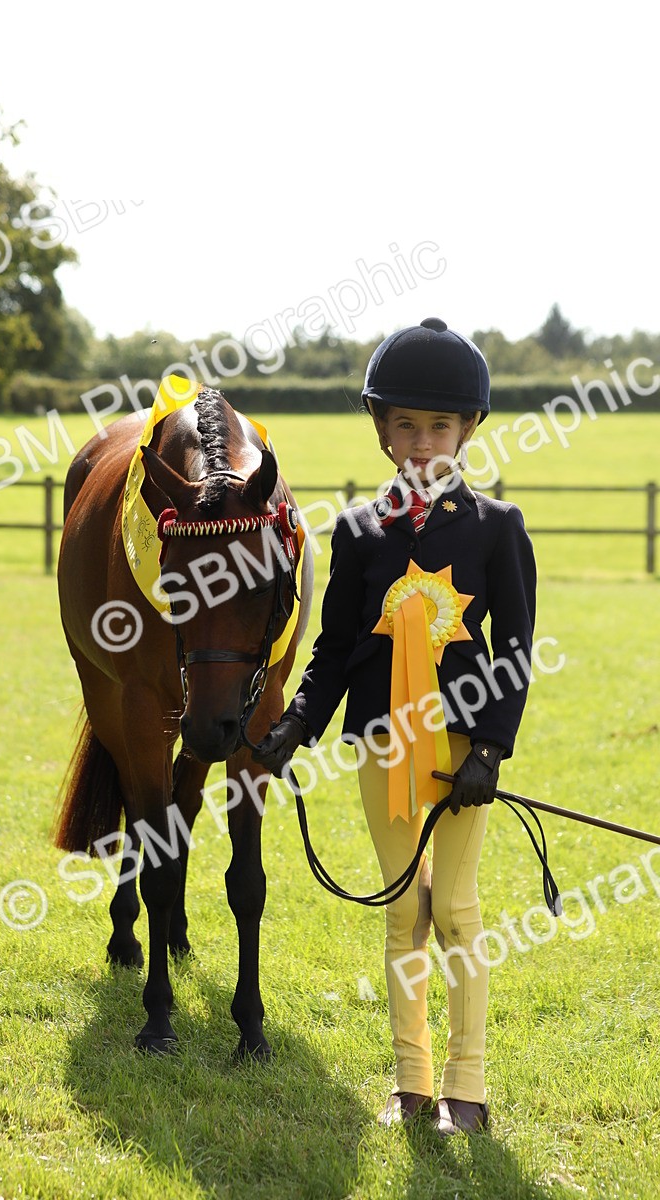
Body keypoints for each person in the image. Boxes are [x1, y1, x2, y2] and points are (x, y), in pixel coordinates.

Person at [252, 317, 537, 1136]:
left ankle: (468, 1091)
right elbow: (334, 654)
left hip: (459, 751)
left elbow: (515, 653)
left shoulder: (496, 529)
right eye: (405, 425)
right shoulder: (359, 532)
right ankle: (411, 1084)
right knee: (403, 909)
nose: (422, 442)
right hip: (382, 745)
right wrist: (295, 728)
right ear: (382, 432)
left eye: (438, 427)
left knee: (455, 906)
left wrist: (489, 748)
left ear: (467, 431)